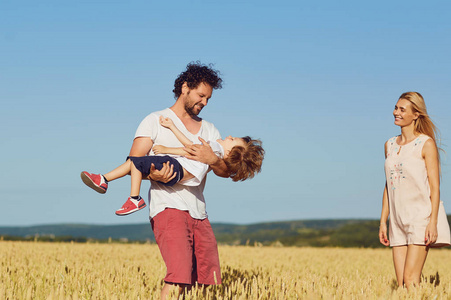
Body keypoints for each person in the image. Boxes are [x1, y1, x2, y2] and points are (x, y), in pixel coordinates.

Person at [80, 115, 264, 216]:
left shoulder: (213, 148)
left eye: (231, 140)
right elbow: (189, 146)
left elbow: (187, 150)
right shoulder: (214, 149)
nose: (228, 136)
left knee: (136, 162)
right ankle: (104, 180)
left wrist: (166, 147)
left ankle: (132, 197)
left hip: (177, 167)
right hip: (180, 171)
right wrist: (172, 128)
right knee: (136, 164)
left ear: (230, 153)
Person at [379, 92, 450, 289]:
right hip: (397, 220)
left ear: (416, 114)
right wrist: (383, 221)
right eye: (396, 108)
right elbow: (388, 184)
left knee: (411, 280)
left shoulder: (426, 144)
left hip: (420, 218)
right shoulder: (389, 145)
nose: (396, 113)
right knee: (402, 285)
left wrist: (433, 222)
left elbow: (435, 188)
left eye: (402, 110)